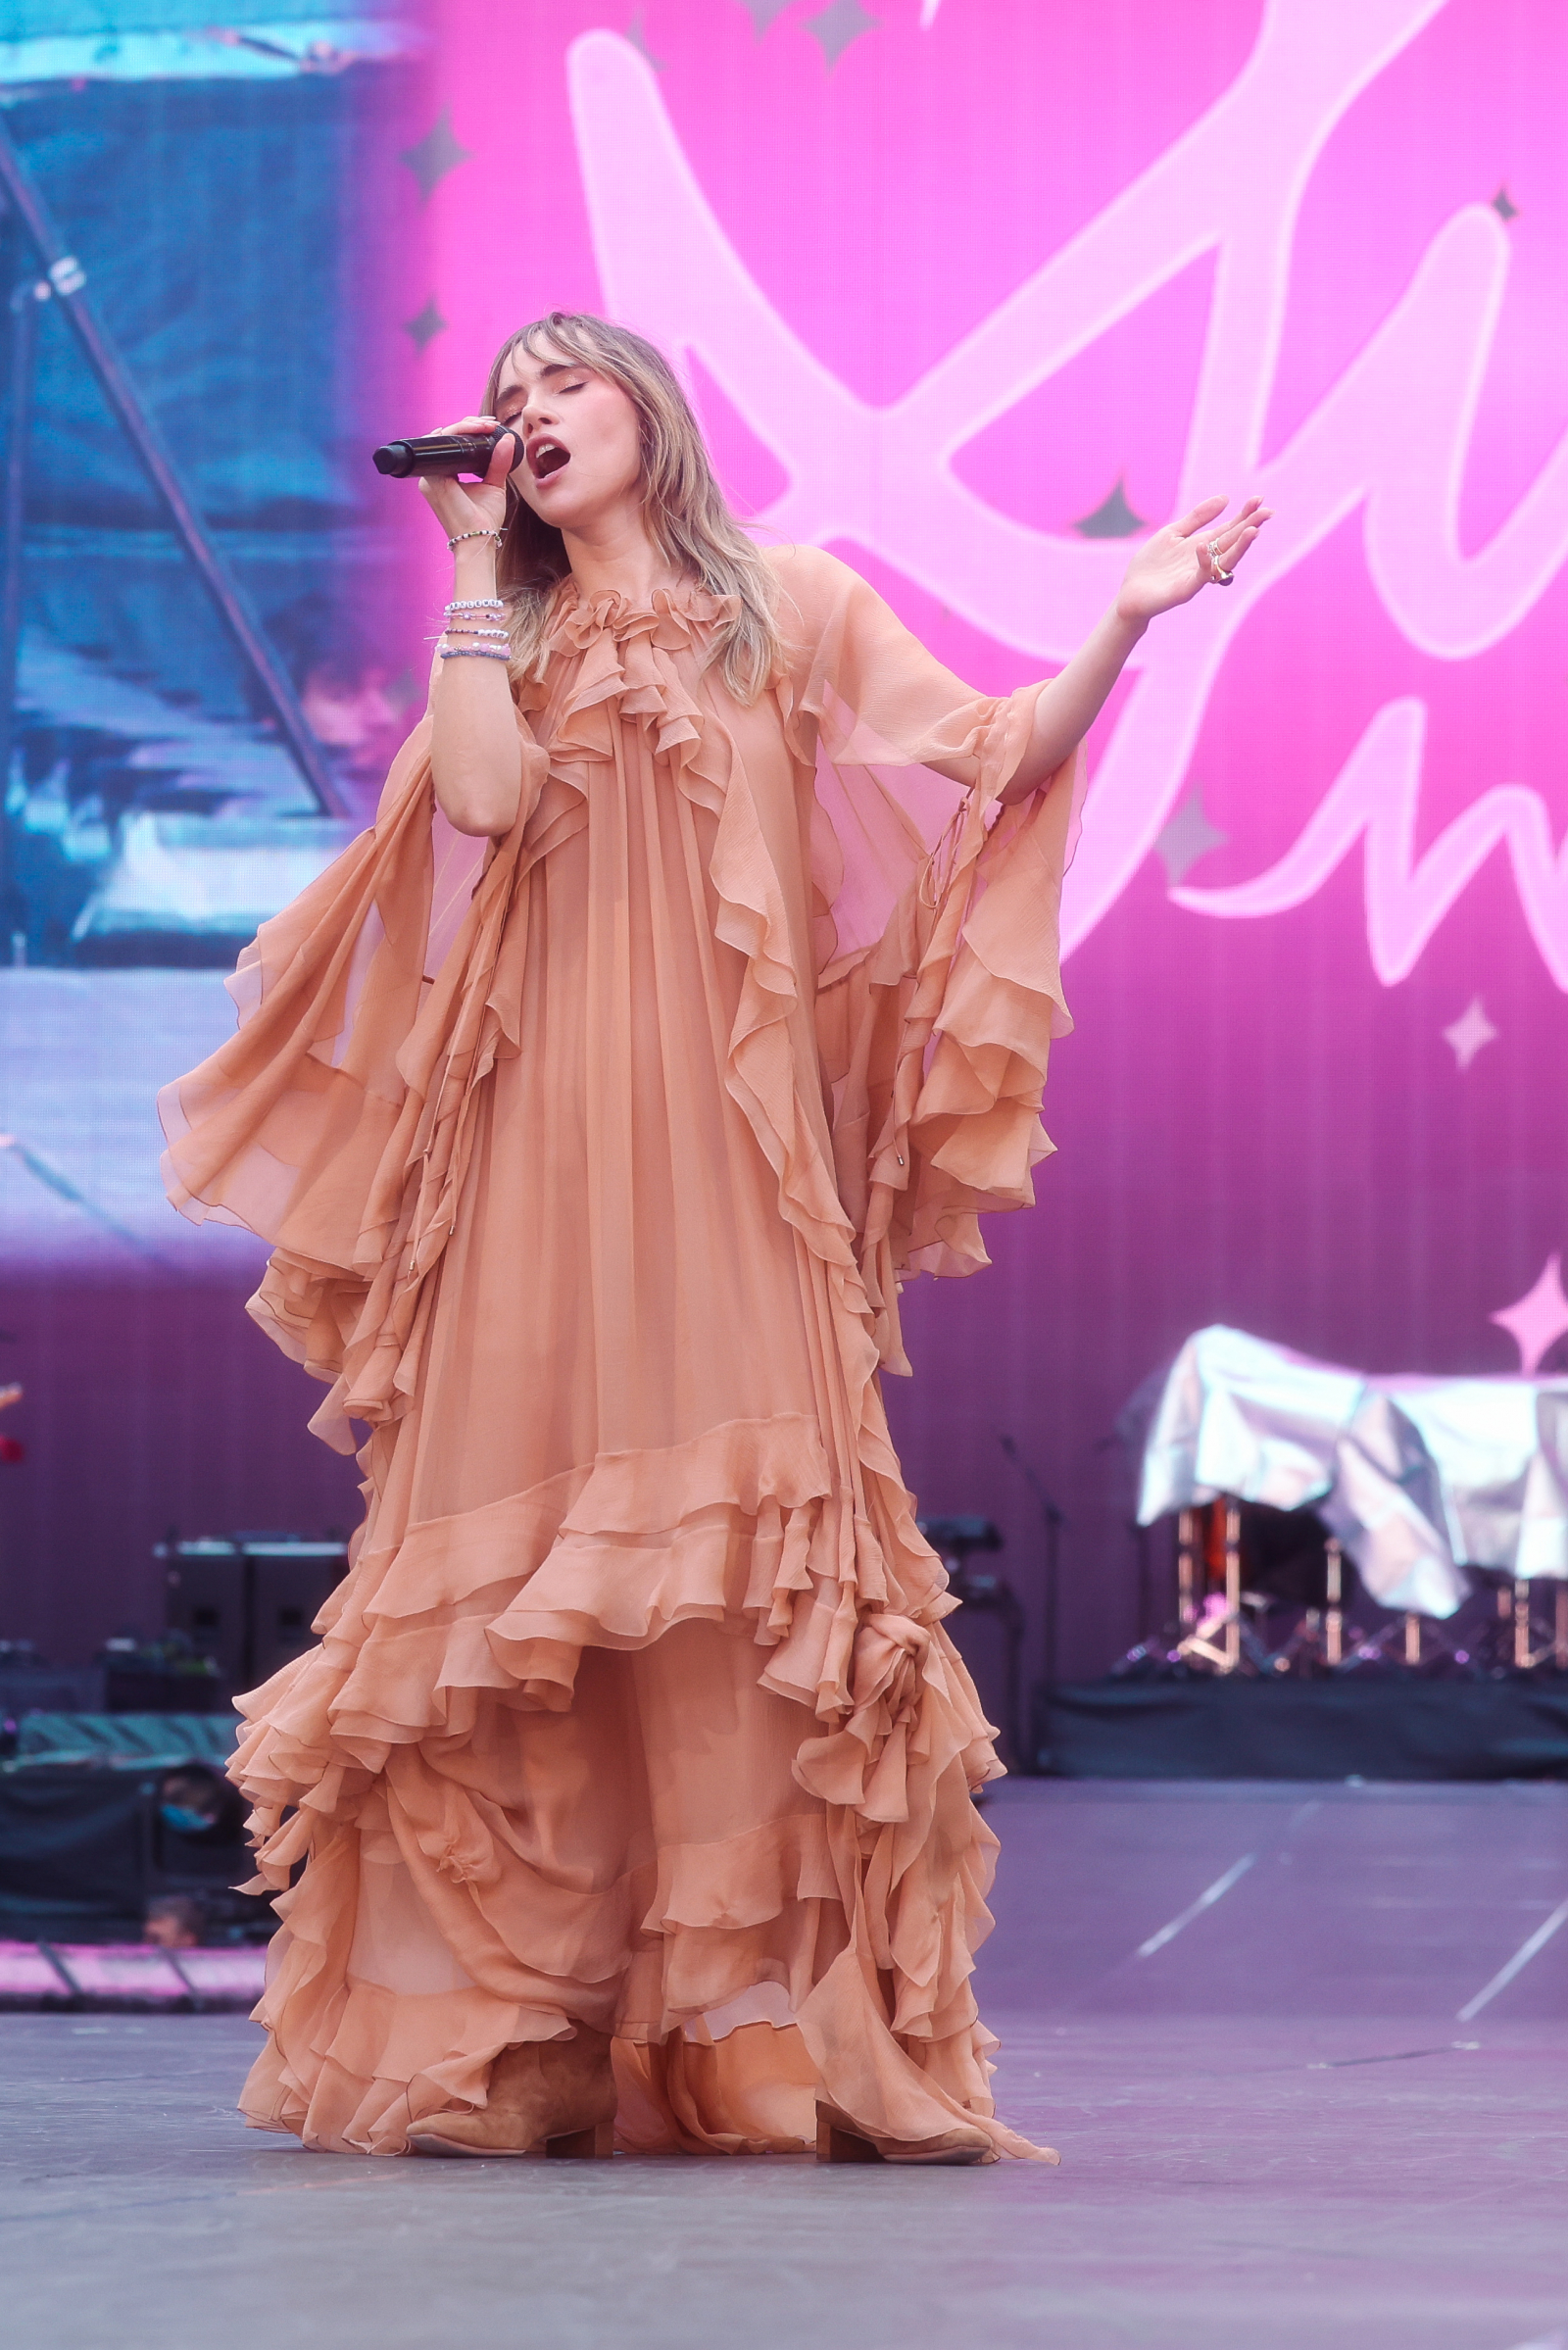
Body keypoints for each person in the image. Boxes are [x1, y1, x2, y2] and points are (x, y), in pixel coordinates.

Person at [160, 312, 1267, 2165]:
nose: (524, 420)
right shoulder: (508, 633)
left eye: (559, 387)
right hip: (532, 1159)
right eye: (505, 403)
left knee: (746, 1589)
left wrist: (1130, 612)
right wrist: (466, 584)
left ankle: (755, 2011)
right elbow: (491, 804)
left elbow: (994, 749)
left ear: (647, 408)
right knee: (522, 1590)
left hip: (728, 1163)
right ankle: (532, 2027)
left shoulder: (798, 606)